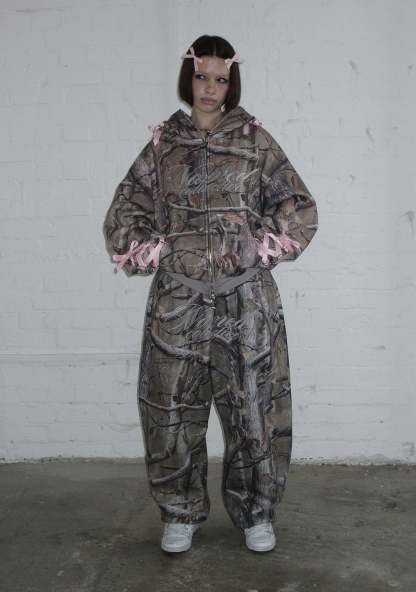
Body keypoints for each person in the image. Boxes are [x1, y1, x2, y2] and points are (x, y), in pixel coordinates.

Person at [103, 34, 318, 554]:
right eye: (202, 76)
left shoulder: (254, 141)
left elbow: (300, 208)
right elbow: (124, 213)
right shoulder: (164, 146)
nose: (210, 88)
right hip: (178, 302)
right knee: (171, 409)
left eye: (221, 79)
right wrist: (162, 252)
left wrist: (253, 249)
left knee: (255, 409)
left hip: (246, 302)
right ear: (189, 77)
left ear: (231, 82)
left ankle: (256, 513)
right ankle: (179, 512)